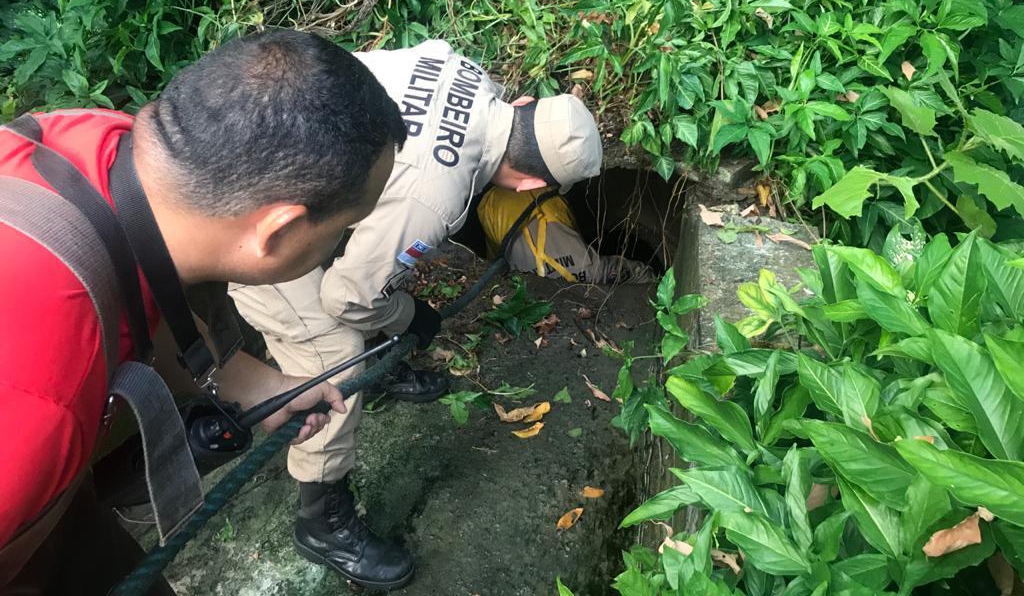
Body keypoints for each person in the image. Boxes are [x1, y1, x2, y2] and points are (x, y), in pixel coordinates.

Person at [0, 30, 407, 595]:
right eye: (345, 228)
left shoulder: (101, 150)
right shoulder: (42, 405)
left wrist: (247, 381)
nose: (347, 240)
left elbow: (139, 292)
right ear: (279, 230)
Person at [228, 39, 604, 590]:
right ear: (531, 185)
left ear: (523, 104)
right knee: (333, 351)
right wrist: (411, 317)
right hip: (243, 219)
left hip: (265, 142)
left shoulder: (464, 67)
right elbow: (350, 298)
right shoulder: (438, 195)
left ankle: (383, 372)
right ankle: (320, 515)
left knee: (361, 269)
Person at [477, 187, 656, 284]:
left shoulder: (591, 270)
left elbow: (633, 273)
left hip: (505, 201)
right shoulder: (517, 280)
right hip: (521, 202)